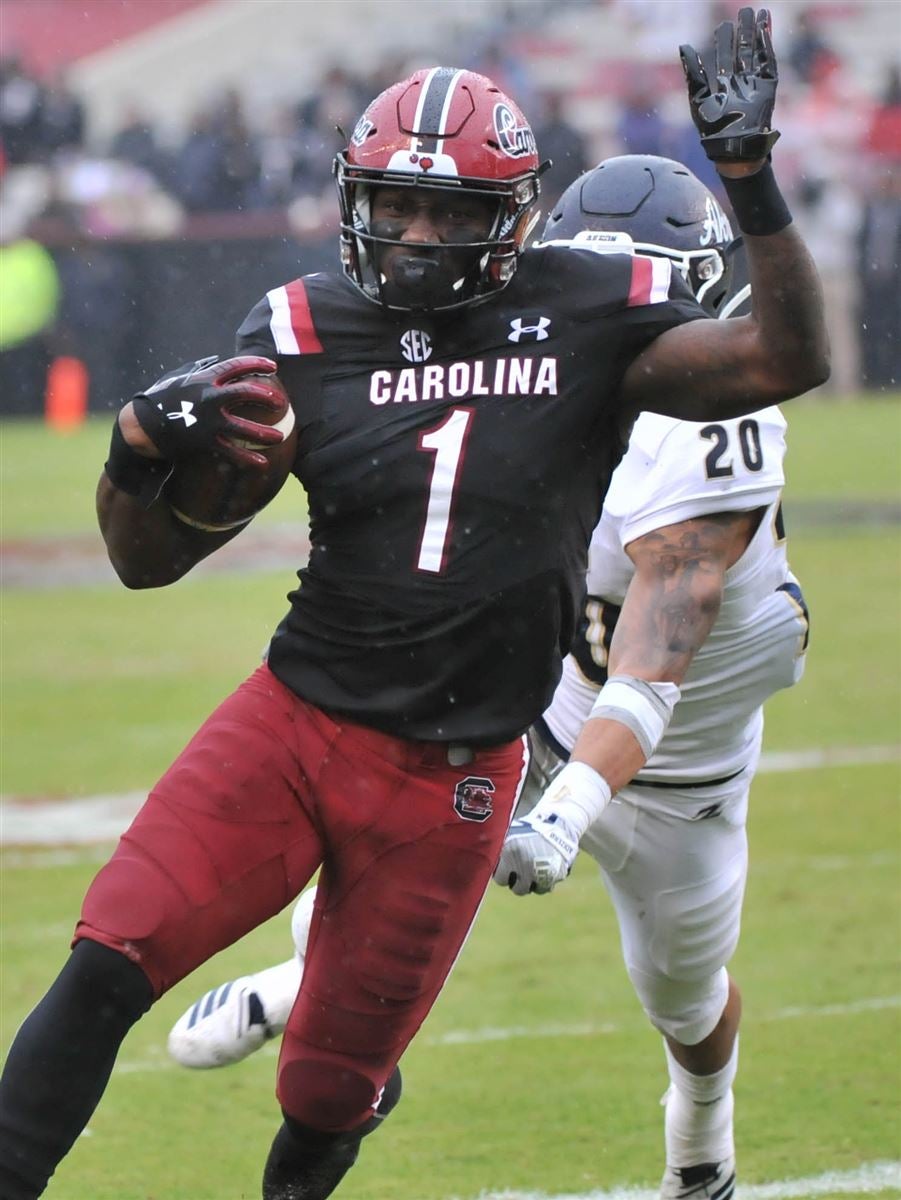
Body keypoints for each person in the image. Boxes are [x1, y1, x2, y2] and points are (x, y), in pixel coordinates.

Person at [0, 11, 829, 1198]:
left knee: (328, 1095)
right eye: (395, 206)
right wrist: (136, 449)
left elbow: (785, 355)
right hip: (291, 727)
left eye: (450, 212)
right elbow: (148, 562)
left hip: (456, 782)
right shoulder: (301, 329)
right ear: (356, 201)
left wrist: (749, 184)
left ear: (515, 218)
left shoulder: (584, 308)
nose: (420, 236)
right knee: (106, 959)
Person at [165, 154, 798, 1200]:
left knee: (683, 1000)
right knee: (382, 836)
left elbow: (655, 651)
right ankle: (311, 989)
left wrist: (569, 812)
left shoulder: (716, 424)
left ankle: (702, 1149)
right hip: (540, 717)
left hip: (679, 770)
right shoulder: (534, 376)